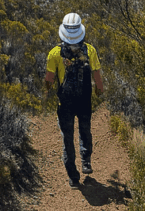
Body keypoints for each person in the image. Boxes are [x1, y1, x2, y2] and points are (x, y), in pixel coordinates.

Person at [44, 12, 104, 188]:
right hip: (84, 100)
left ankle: (73, 177)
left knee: (67, 138)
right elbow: (97, 75)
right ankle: (86, 161)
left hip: (65, 103)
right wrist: (99, 90)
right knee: (85, 130)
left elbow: (49, 80)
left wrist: (48, 94)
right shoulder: (90, 50)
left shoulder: (55, 53)